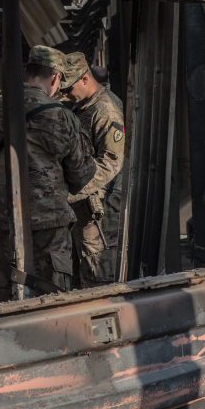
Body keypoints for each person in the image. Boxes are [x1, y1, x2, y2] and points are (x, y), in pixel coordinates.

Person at [0, 45, 96, 300]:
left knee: (4, 287)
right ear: (56, 77)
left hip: (3, 215)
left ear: (26, 71)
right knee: (50, 292)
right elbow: (82, 174)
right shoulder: (61, 115)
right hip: (49, 220)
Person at [64, 52, 125, 286]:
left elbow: (111, 162)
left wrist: (72, 192)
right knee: (81, 276)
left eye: (68, 88)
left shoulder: (105, 109)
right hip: (85, 206)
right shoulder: (82, 107)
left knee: (98, 277)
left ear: (85, 79)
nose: (65, 94)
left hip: (102, 209)